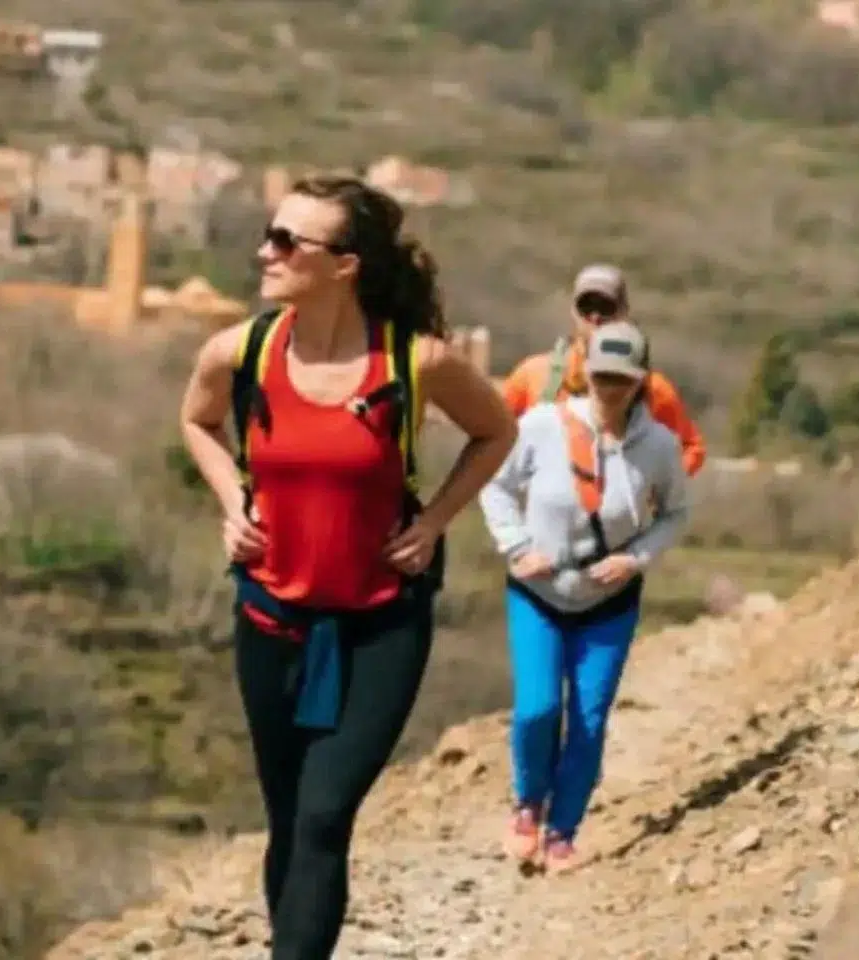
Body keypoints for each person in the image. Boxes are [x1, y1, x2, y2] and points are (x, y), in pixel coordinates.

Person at [180, 174, 516, 959]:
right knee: (292, 813)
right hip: (272, 614)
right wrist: (234, 501)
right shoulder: (242, 350)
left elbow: (495, 433)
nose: (268, 252)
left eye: (290, 242)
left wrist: (434, 521)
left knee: (327, 814)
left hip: (381, 621)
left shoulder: (416, 362)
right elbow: (196, 422)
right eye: (271, 234)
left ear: (345, 265)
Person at [478, 320, 690, 870]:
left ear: (640, 382)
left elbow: (675, 513)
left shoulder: (659, 447)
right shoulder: (542, 426)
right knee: (538, 708)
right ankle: (528, 803)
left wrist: (635, 557)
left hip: (608, 603)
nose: (609, 387)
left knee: (589, 719)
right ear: (584, 374)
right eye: (600, 376)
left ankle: (563, 831)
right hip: (538, 592)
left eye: (621, 378)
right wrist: (517, 546)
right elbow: (494, 485)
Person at [501, 264, 707, 477]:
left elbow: (691, 448)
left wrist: (658, 489)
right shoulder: (533, 375)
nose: (595, 317)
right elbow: (492, 437)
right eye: (586, 306)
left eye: (606, 307)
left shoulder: (651, 388)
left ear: (624, 312)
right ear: (573, 311)